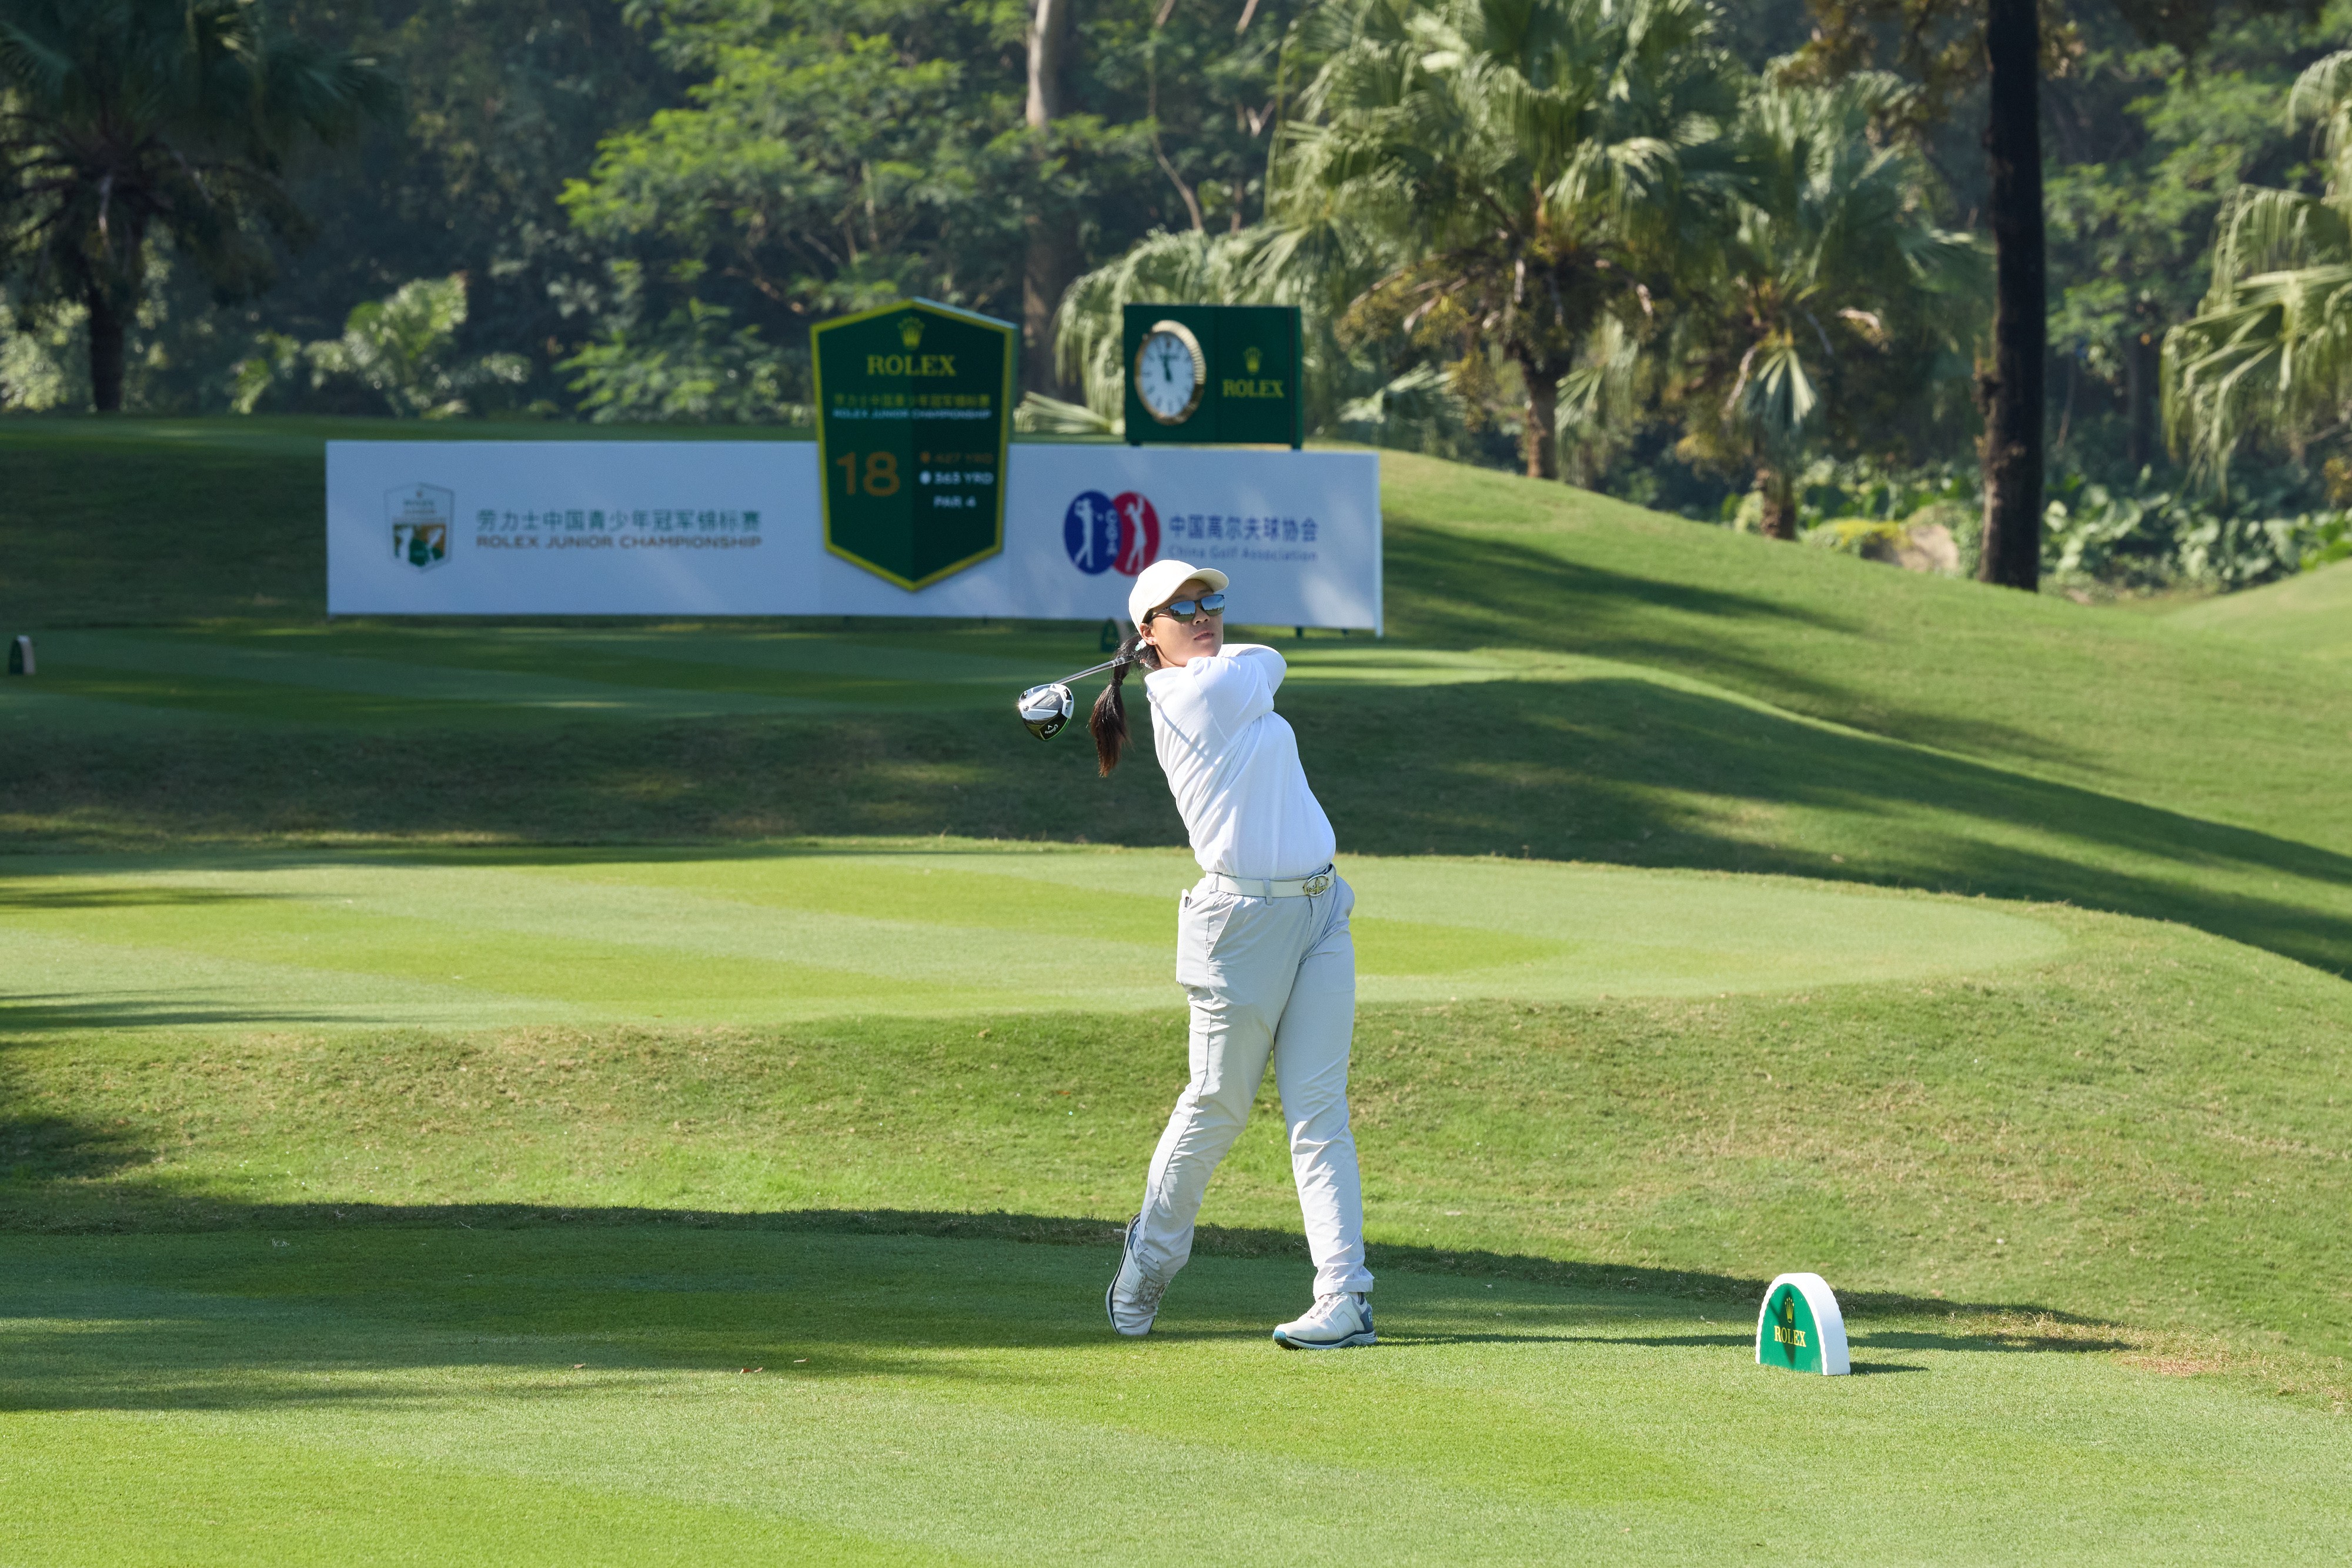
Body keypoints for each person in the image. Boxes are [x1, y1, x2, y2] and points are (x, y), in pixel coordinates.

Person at [1090, 559, 1375, 1350]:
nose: (1205, 616)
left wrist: (1161, 646)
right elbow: (1271, 659)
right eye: (1182, 610)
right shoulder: (1195, 694)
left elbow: (1260, 660)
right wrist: (1174, 656)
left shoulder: (1213, 677)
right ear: (1147, 632)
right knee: (1216, 1105)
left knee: (1320, 1111)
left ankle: (1345, 1296)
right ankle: (1150, 1260)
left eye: (1211, 601)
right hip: (1240, 925)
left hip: (1321, 911)